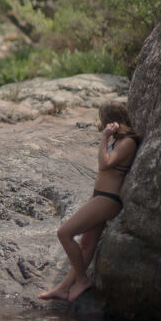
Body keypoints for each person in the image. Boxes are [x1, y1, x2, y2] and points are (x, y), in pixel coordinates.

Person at [38, 100, 139, 302]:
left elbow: (105, 163)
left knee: (64, 233)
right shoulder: (118, 140)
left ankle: (82, 280)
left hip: (108, 199)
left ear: (110, 120)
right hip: (99, 196)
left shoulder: (128, 141)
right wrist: (108, 138)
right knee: (86, 243)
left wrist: (105, 137)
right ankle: (63, 288)